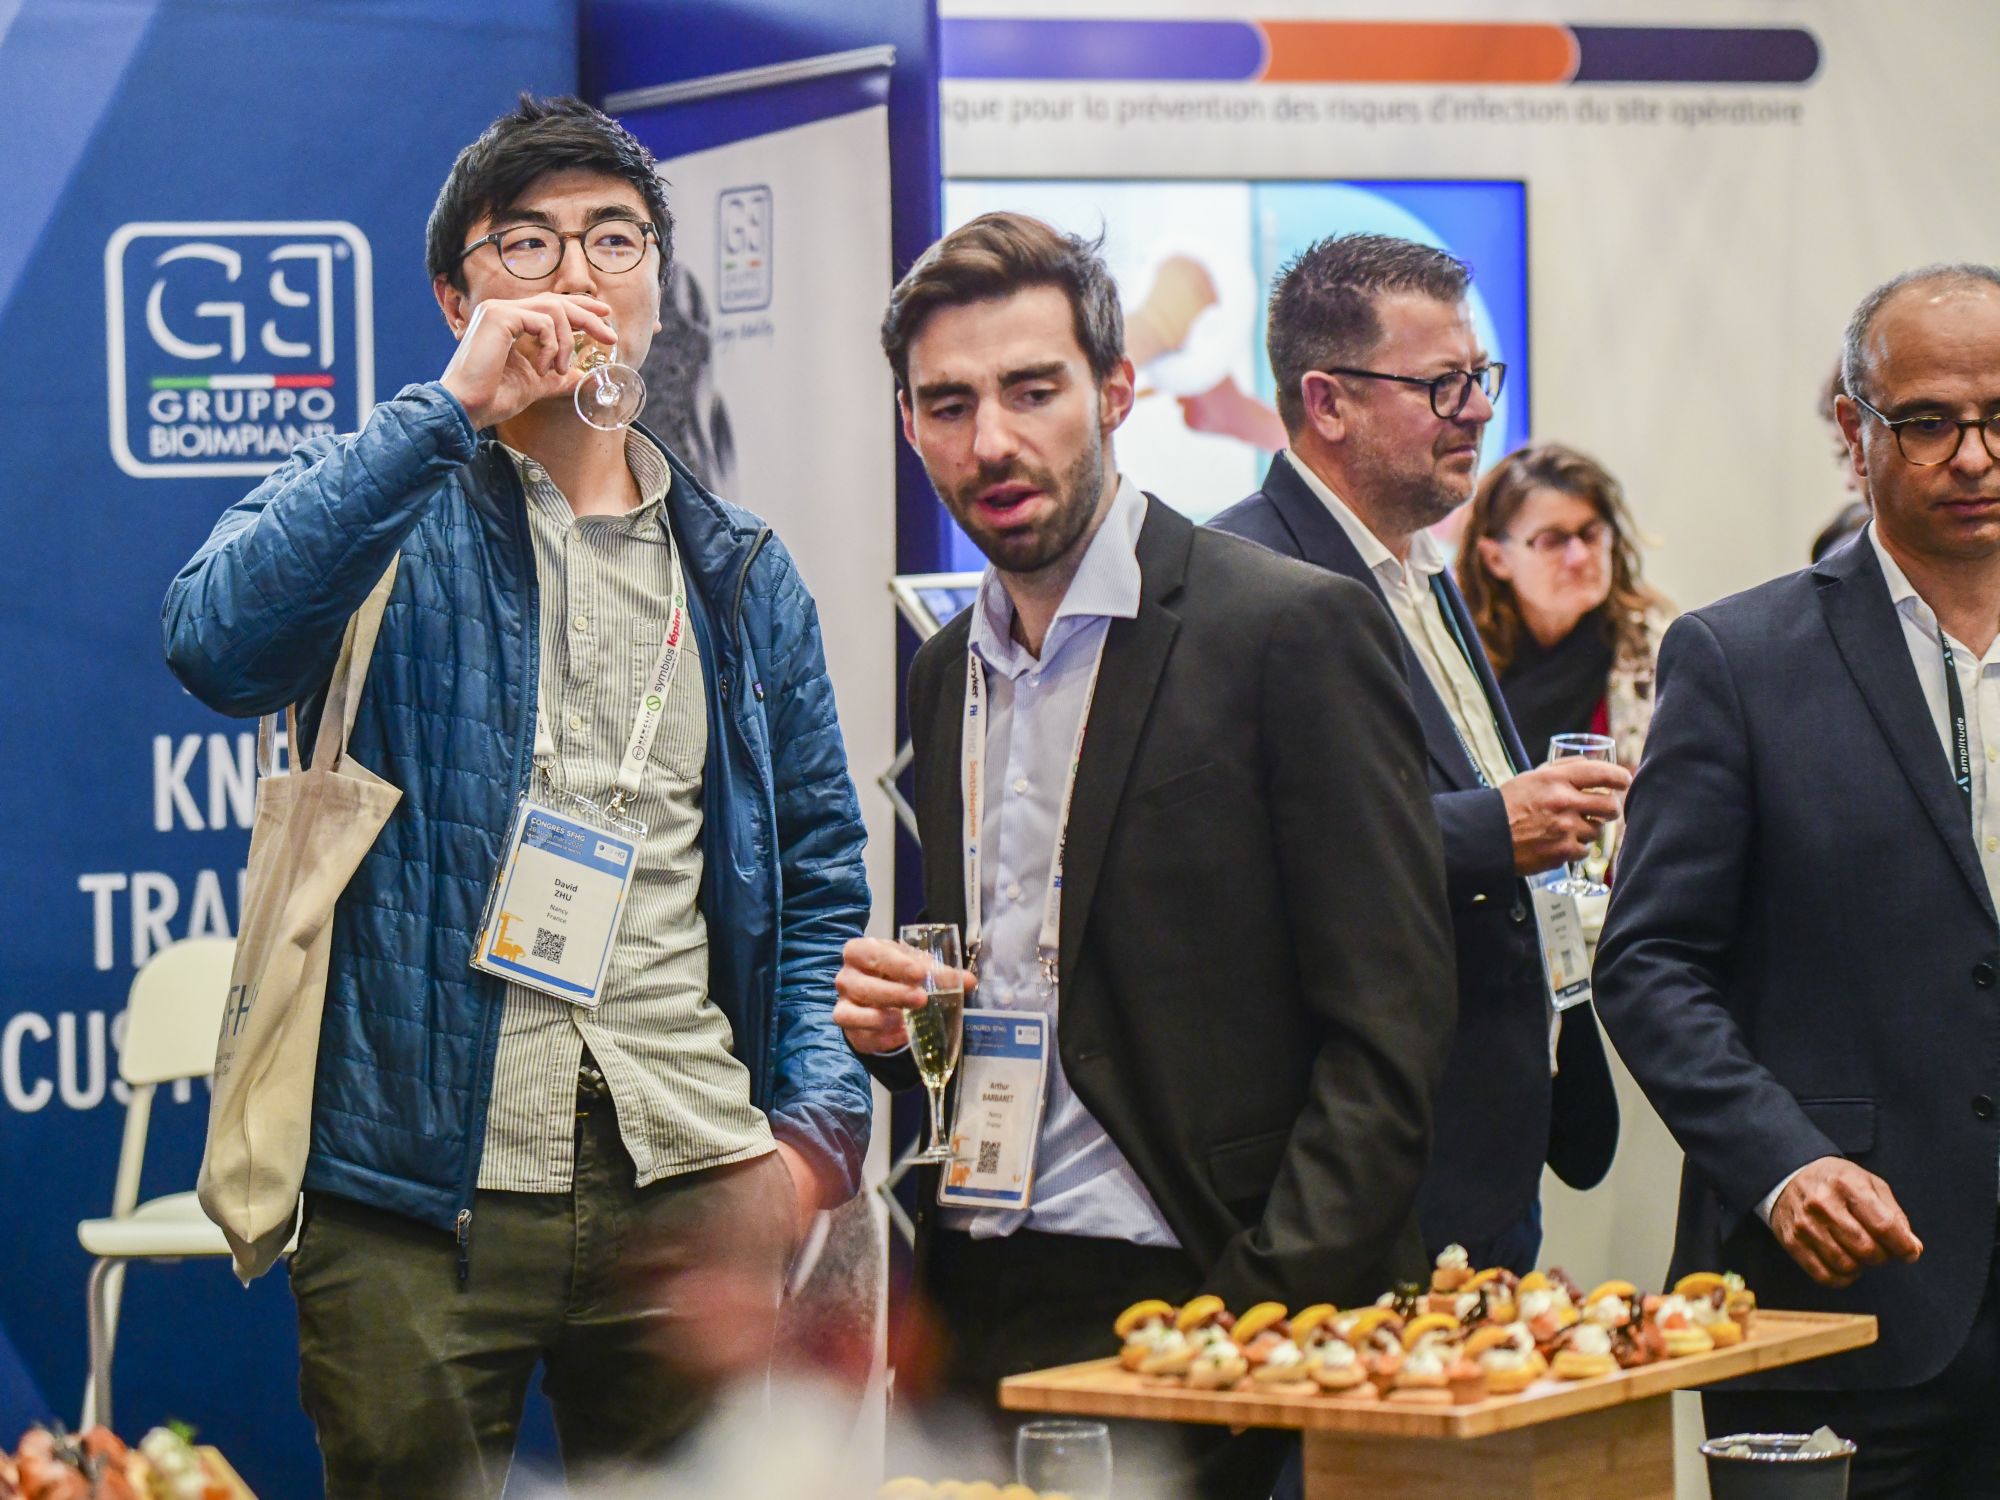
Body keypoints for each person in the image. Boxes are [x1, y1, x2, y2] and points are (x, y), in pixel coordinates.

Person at [161, 96, 872, 1499]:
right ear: (457, 293)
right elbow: (216, 644)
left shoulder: (737, 567)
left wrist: (805, 1151)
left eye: (615, 239)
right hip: (413, 1194)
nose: (577, 276)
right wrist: (449, 411)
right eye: (528, 244)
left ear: (657, 284)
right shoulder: (386, 507)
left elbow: (820, 878)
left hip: (690, 1169)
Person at [837, 212, 1455, 1495]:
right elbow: (1026, 988)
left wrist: (1250, 1317)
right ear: (908, 424)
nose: (989, 441)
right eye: (947, 405)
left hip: (1204, 1295)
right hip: (979, 1291)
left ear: (1116, 391)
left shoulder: (1287, 629)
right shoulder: (944, 670)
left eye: (1031, 390)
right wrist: (906, 1034)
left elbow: (1389, 1032)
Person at [1594, 263, 2000, 1498]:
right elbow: (1648, 964)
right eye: (1926, 421)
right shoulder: (1740, 657)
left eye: (1999, 418)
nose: (1973, 455)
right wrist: (1777, 1163)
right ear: (1851, 428)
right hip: (1840, 1301)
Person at [1210, 234, 1623, 1275]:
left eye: (1480, 376)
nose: (1477, 410)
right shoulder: (1237, 580)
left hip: (1487, 1145)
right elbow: (1241, 856)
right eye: (1441, 384)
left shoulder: (1420, 564)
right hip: (1359, 1173)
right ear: (1327, 402)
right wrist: (1496, 828)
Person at [1456, 442, 1675, 770]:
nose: (1579, 557)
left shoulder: (1657, 646)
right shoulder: (1456, 653)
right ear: (1496, 558)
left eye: (1591, 533)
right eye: (1552, 540)